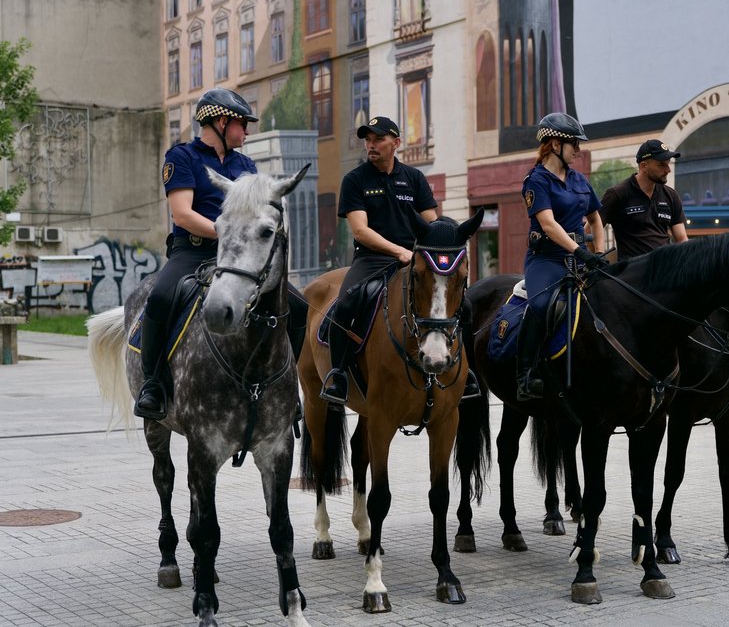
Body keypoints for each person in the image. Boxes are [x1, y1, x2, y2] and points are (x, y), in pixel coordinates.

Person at [135, 88, 309, 420]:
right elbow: (182, 214)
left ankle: (288, 383)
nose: (246, 131)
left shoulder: (245, 164)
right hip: (193, 251)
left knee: (297, 308)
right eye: (242, 124)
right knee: (159, 297)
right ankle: (153, 384)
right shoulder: (182, 157)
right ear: (220, 121)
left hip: (240, 256)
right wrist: (225, 232)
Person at [320, 116, 479, 404]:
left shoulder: (414, 178)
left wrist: (449, 237)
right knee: (345, 305)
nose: (371, 144)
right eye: (368, 139)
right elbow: (360, 230)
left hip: (416, 261)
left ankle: (465, 372)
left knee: (464, 306)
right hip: (372, 259)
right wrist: (398, 251)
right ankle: (338, 375)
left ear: (396, 143)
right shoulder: (355, 180)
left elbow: (431, 222)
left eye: (378, 139)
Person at [518, 112, 606, 401]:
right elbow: (548, 225)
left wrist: (599, 252)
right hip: (547, 259)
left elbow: (596, 219)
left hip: (581, 260)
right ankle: (526, 374)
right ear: (555, 144)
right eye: (574, 145)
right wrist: (580, 250)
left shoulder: (579, 180)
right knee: (542, 304)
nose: (579, 151)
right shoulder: (537, 179)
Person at [601, 139, 688, 260]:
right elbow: (591, 229)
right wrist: (595, 258)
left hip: (665, 271)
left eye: (668, 164)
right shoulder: (618, 194)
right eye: (662, 164)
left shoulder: (671, 195)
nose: (668, 170)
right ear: (644, 166)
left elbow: (682, 240)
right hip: (631, 274)